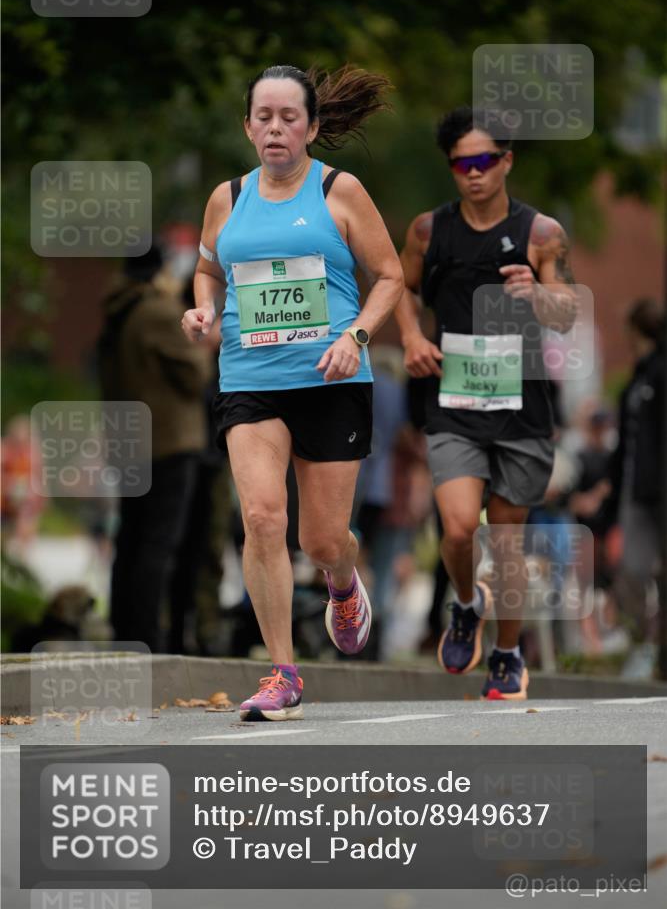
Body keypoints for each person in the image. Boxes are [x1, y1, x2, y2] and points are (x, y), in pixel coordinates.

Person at [182, 64, 403, 721]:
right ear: (247, 125)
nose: (275, 128)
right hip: (251, 381)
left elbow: (388, 277)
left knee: (321, 540)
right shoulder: (227, 197)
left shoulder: (340, 191)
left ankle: (341, 581)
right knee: (260, 518)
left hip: (331, 380)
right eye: (263, 117)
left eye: (288, 117)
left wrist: (355, 338)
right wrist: (202, 310)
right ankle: (282, 671)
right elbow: (204, 267)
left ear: (310, 126)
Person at [395, 106, 578, 700]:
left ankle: (507, 655)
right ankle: (466, 606)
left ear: (507, 161)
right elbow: (397, 287)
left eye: (484, 161)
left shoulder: (541, 233)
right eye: (460, 164)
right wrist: (414, 337)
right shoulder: (428, 231)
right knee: (455, 530)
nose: (472, 173)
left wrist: (537, 293)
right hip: (453, 404)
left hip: (522, 409)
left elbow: (568, 312)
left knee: (505, 544)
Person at [99, 245, 212, 652]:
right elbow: (197, 373)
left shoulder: (118, 310)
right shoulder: (158, 313)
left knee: (130, 539)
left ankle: (124, 628)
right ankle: (148, 635)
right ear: (159, 270)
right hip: (168, 440)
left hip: (128, 439)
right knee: (158, 542)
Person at [606, 298, 664, 678]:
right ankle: (645, 644)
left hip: (657, 490)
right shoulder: (638, 378)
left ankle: (656, 651)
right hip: (635, 491)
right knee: (631, 571)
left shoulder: (659, 373)